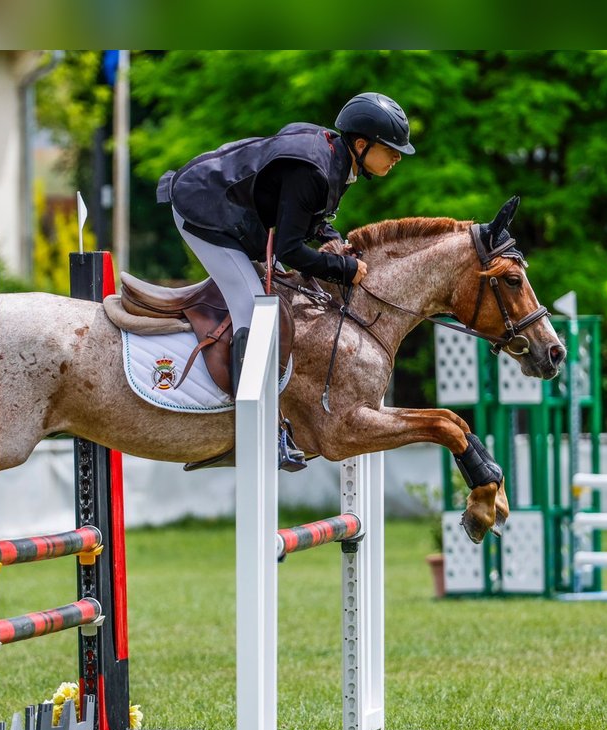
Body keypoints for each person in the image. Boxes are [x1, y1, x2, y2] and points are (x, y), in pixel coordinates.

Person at [157, 91, 415, 471]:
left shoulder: (337, 160)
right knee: (256, 312)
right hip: (204, 209)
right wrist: (342, 270)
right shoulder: (315, 168)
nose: (396, 157)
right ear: (362, 144)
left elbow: (301, 217)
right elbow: (289, 250)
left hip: (230, 210)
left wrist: (329, 237)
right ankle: (262, 429)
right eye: (391, 149)